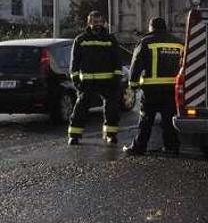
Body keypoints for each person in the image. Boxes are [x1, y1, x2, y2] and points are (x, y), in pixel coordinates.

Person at [123, 17, 184, 156]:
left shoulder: (145, 42)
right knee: (169, 120)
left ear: (151, 27)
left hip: (152, 90)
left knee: (146, 120)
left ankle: (139, 148)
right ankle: (172, 148)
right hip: (172, 90)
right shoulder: (179, 43)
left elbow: (136, 65)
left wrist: (133, 85)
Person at [68, 11, 123, 145]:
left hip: (108, 81)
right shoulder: (81, 39)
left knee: (112, 110)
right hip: (87, 82)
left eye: (99, 22)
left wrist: (116, 79)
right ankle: (74, 135)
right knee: (80, 109)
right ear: (89, 22)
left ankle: (110, 134)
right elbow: (74, 63)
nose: (97, 25)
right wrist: (76, 81)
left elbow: (117, 61)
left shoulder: (110, 39)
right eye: (94, 22)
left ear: (104, 23)